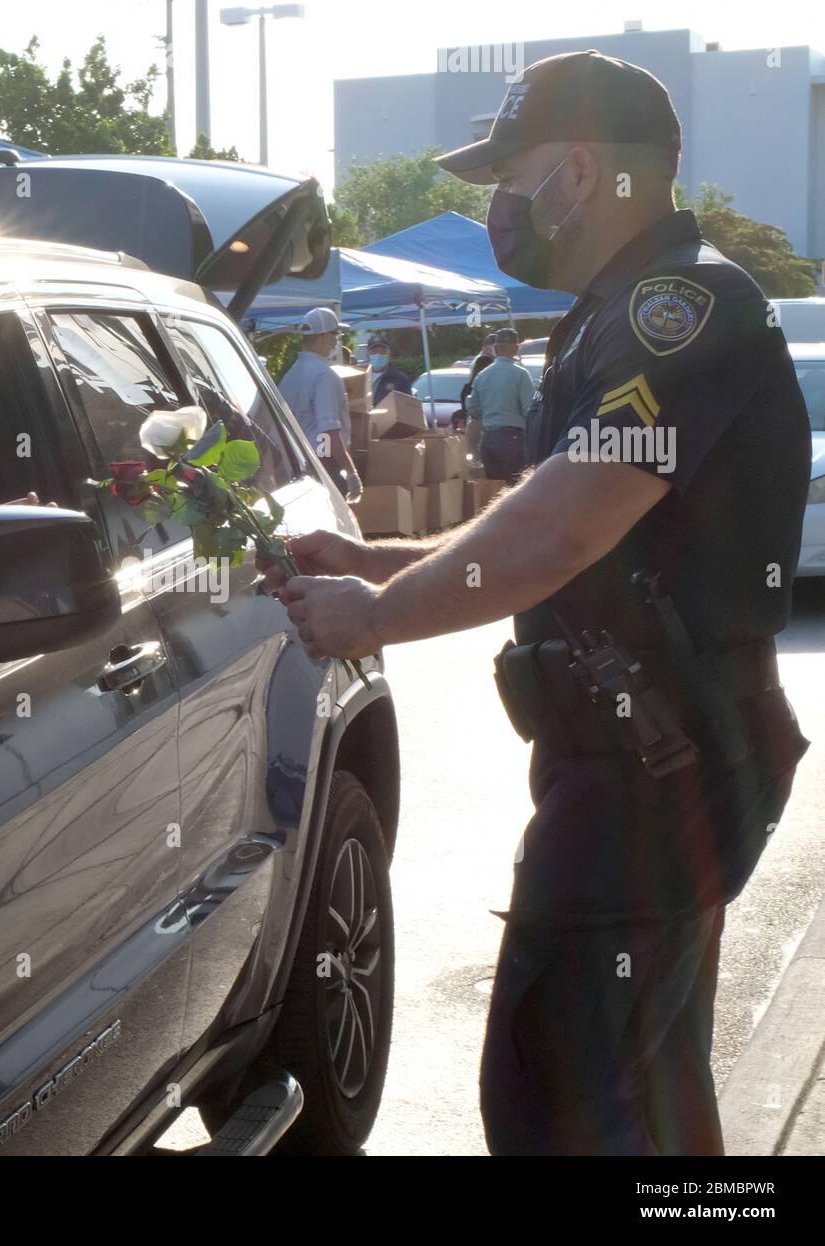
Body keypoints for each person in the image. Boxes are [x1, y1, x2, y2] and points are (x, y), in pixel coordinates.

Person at [261, 49, 810, 1156]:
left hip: (655, 771)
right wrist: (383, 559)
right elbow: (557, 523)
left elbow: (563, 528)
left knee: (554, 1100)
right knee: (647, 1094)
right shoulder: (624, 308)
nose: (499, 209)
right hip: (651, 760)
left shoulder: (678, 302)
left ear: (576, 171)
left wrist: (374, 619)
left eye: (506, 180)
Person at [278, 306, 362, 501]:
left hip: (296, 461)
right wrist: (349, 471)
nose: (335, 340)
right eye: (335, 334)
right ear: (324, 336)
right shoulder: (325, 375)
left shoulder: (291, 375)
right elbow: (328, 431)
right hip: (323, 462)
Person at [465, 327, 535, 482]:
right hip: (513, 439)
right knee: (514, 489)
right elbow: (529, 409)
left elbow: (472, 408)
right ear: (516, 348)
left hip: (488, 439)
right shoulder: (521, 374)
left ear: (496, 348)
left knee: (493, 490)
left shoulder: (482, 376)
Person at [457, 350, 495, 452]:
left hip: (474, 423)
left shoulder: (468, 387)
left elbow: (465, 408)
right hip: (492, 425)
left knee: (472, 453)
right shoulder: (494, 387)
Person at [366, 335, 412, 408]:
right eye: (374, 351)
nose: (378, 355)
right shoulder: (361, 378)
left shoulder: (401, 379)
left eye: (382, 351)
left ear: (389, 354)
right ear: (367, 354)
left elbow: (408, 407)